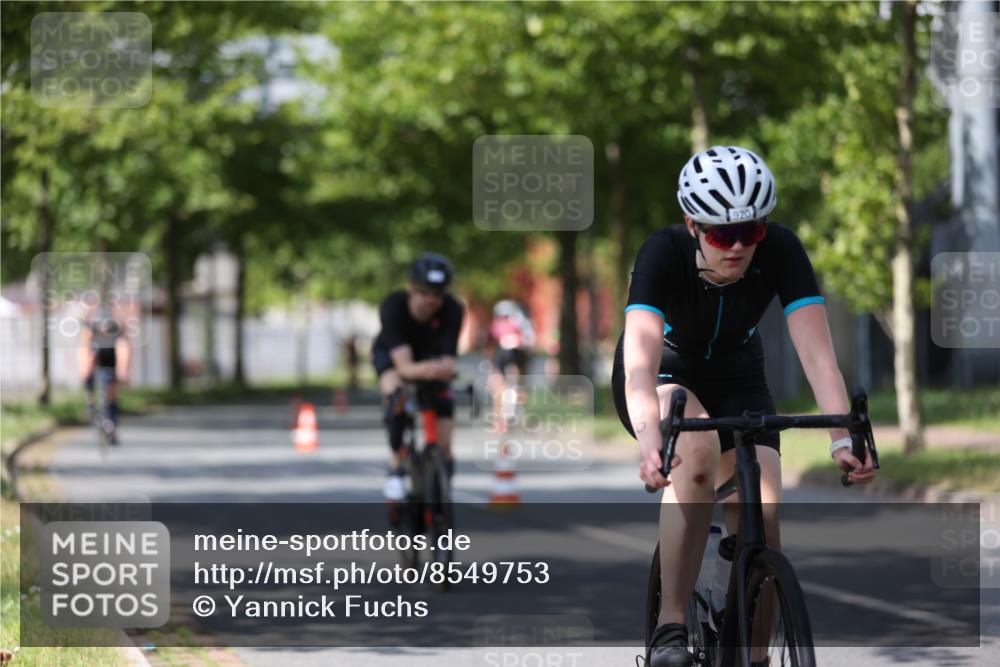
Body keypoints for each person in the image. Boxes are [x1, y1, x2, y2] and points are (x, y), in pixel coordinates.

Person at [611, 146, 876, 667]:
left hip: (738, 373)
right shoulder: (661, 253)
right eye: (719, 234)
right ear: (691, 225)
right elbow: (638, 363)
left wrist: (842, 440)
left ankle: (753, 655)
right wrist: (649, 442)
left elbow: (819, 357)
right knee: (698, 454)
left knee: (765, 509)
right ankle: (671, 626)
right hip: (667, 372)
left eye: (749, 232)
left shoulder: (781, 250)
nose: (736, 247)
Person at [371, 253, 464, 501]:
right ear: (411, 289)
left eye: (437, 294)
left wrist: (439, 371)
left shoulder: (453, 309)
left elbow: (449, 361)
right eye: (424, 293)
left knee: (444, 416)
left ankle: (441, 488)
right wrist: (433, 369)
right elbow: (404, 368)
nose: (431, 300)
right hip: (393, 356)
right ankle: (395, 464)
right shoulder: (393, 307)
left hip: (427, 358)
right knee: (396, 391)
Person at [77, 309, 131, 444]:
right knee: (89, 374)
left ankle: (112, 426)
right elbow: (84, 349)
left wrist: (123, 370)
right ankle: (90, 402)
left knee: (112, 394)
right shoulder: (91, 330)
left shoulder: (117, 330)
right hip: (96, 356)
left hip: (111, 357)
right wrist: (85, 371)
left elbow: (124, 349)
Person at [486, 299, 535, 422]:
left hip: (507, 354)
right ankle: (512, 410)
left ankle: (498, 416)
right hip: (515, 354)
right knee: (516, 382)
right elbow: (527, 343)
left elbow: (490, 343)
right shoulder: (520, 322)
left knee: (499, 384)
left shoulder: (499, 324)